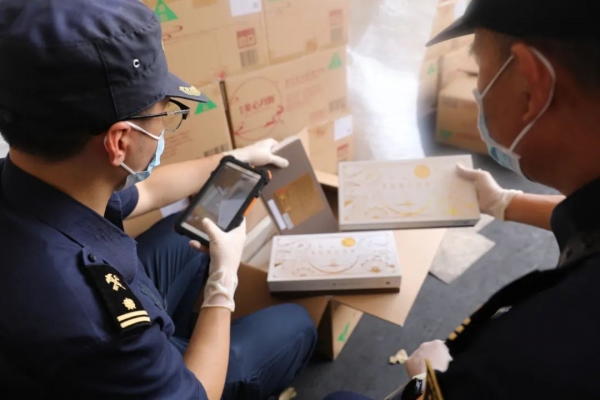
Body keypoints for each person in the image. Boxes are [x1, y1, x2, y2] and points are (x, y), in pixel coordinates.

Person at [0, 1, 317, 399]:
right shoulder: (95, 321)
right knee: (296, 324)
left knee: (183, 230)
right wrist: (223, 282)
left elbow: (146, 191)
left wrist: (232, 159)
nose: (164, 126)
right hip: (152, 376)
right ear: (119, 141)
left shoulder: (41, 175)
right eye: (164, 114)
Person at [326, 0, 600, 398]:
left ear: (531, 86)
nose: (479, 88)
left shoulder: (524, 357)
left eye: (479, 66)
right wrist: (504, 202)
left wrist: (426, 381)